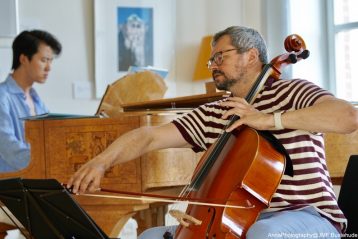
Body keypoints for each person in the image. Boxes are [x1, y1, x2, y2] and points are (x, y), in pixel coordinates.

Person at [67, 26, 358, 238]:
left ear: (251, 55)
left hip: (311, 220)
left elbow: (347, 117)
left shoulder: (294, 91)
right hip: (243, 220)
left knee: (266, 234)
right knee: (150, 237)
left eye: (220, 57)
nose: (213, 66)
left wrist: (266, 119)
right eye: (211, 61)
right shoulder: (218, 111)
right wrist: (101, 162)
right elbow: (148, 136)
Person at [0, 30, 62, 172]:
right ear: (23, 59)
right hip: (8, 187)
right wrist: (48, 162)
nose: (49, 68)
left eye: (51, 61)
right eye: (44, 60)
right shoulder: (2, 96)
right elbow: (9, 148)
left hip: (33, 179)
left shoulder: (36, 99)